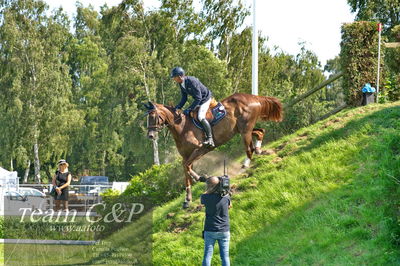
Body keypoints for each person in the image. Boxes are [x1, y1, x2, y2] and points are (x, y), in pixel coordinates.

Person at [170, 66, 215, 147]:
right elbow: (184, 97)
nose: (174, 79)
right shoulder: (181, 83)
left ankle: (210, 139)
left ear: (180, 76)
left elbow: (199, 98)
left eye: (174, 77)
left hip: (205, 99)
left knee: (200, 116)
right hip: (199, 100)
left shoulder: (191, 81)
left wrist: (189, 109)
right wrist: (178, 107)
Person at [201, 176, 232, 266]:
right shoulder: (226, 197)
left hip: (210, 230)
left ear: (209, 186)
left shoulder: (205, 197)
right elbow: (230, 206)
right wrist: (226, 191)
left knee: (207, 256)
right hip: (224, 230)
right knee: (225, 257)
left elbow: (204, 199)